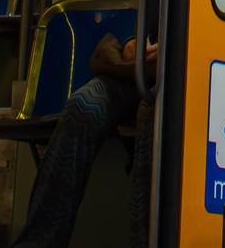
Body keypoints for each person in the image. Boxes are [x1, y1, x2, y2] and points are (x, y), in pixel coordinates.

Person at [12, 27, 158, 248]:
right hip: (142, 70)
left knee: (151, 115)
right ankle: (38, 241)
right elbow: (143, 23)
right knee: (84, 106)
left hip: (182, 70)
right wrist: (132, 43)